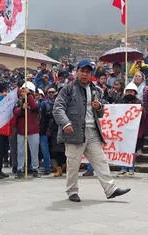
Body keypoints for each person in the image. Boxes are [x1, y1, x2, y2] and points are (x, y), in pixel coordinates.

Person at [52, 59, 131, 202]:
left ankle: (110, 189)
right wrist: (65, 123)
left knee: (100, 161)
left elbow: (100, 114)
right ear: (77, 72)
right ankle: (72, 191)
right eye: (82, 71)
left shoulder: (96, 90)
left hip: (93, 131)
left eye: (87, 72)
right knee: (73, 164)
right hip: (74, 132)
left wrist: (99, 106)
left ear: (91, 74)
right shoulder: (68, 89)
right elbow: (58, 108)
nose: (84, 74)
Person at [13, 82, 41, 178]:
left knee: (34, 151)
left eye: (25, 90)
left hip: (33, 131)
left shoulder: (34, 100)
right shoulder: (18, 101)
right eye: (22, 90)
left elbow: (35, 107)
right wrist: (22, 108)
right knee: (20, 151)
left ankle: (35, 168)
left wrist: (28, 95)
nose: (22, 92)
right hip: (21, 131)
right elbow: (15, 112)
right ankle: (20, 169)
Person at [117, 82, 143, 175]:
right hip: (123, 129)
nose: (129, 93)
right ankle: (123, 168)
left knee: (131, 149)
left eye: (131, 92)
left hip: (133, 130)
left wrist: (141, 111)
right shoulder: (120, 101)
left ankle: (131, 167)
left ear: (135, 93)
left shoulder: (139, 102)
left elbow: (143, 117)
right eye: (128, 91)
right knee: (122, 149)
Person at [40, 87, 57, 175]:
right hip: (45, 129)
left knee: (54, 150)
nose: (51, 94)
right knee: (45, 149)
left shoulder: (58, 102)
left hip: (55, 130)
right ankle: (47, 167)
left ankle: (55, 166)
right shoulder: (43, 103)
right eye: (49, 92)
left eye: (53, 92)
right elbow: (42, 117)